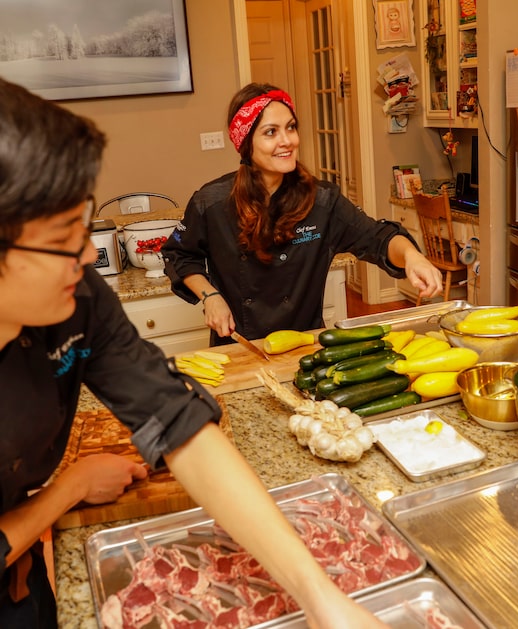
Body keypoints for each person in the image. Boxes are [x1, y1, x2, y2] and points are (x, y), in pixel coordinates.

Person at [0, 78, 387, 628]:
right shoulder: (211, 203)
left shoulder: (79, 296)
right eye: (64, 235)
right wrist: (67, 490)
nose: (88, 253)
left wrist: (321, 597)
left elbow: (176, 418)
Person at [163, 83, 442, 346]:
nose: (287, 141)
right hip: (239, 346)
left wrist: (411, 256)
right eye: (271, 132)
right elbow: (180, 255)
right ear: (246, 143)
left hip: (304, 345)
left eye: (291, 127)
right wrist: (210, 296)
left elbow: (378, 238)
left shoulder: (322, 200)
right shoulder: (211, 202)